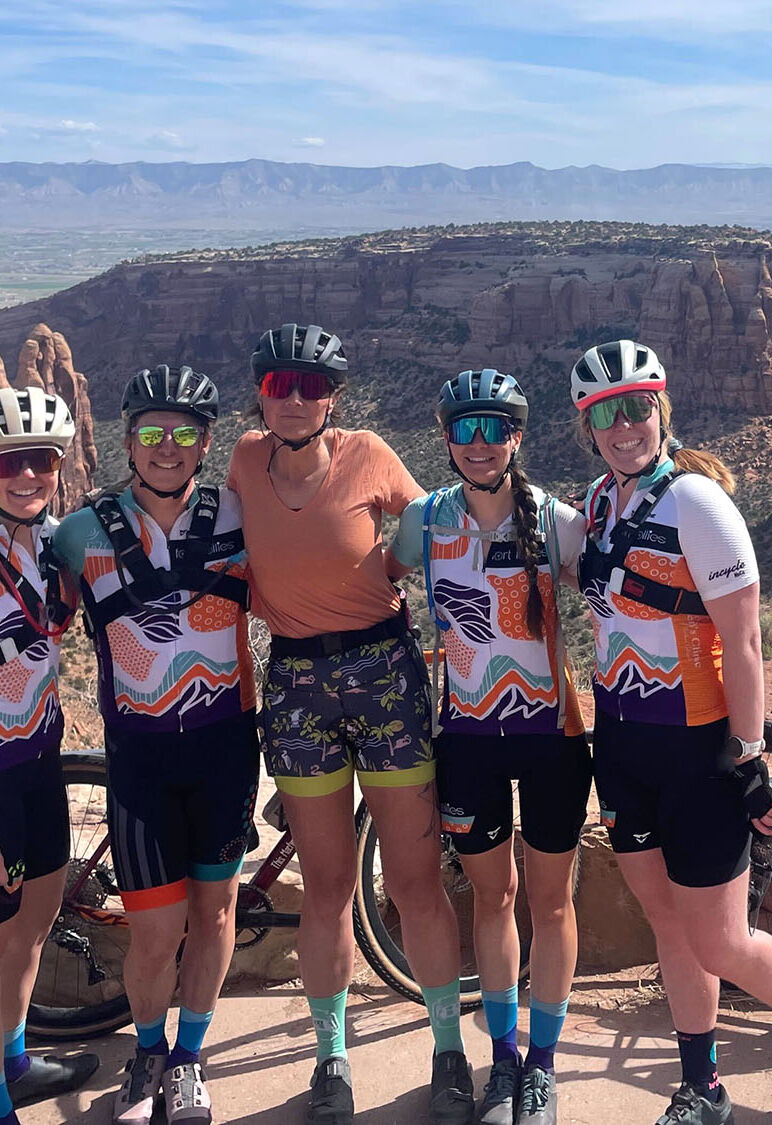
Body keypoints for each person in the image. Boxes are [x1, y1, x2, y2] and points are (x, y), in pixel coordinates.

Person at [570, 340, 772, 1124]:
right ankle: (703, 1087)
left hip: (698, 750)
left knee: (722, 940)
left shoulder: (696, 503)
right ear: (586, 427)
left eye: (636, 407)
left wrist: (750, 757)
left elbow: (746, 640)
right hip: (621, 744)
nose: (624, 426)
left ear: (660, 409)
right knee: (667, 921)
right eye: (605, 414)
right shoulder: (598, 501)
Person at [227, 323, 472, 1125]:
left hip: (384, 675)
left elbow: (442, 521)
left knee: (414, 878)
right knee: (329, 884)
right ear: (261, 394)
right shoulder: (242, 461)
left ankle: (448, 1049)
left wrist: (408, 572)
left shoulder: (368, 454)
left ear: (333, 397)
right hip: (297, 682)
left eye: (312, 386)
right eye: (280, 385)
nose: (295, 399)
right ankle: (330, 1057)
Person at [54, 366, 259, 1125]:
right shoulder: (80, 531)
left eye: (184, 432)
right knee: (155, 930)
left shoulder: (241, 515)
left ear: (205, 442)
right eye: (150, 431)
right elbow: (38, 623)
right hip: (140, 757)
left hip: (225, 749)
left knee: (215, 915)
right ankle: (148, 1051)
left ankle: (188, 1058)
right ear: (127, 438)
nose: (166, 446)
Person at [387, 369, 591, 1125]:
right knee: (494, 896)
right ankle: (503, 1059)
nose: (479, 444)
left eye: (494, 428)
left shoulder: (558, 521)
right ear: (446, 438)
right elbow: (380, 581)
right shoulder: (424, 520)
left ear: (516, 436)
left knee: (551, 900)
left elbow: (614, 598)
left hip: (552, 736)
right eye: (464, 429)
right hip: (468, 738)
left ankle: (543, 1065)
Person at [0, 388, 99, 1125]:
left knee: (34, 917)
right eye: (8, 462)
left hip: (38, 755)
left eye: (41, 459)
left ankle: (13, 1059)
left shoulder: (56, 543)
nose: (27, 475)